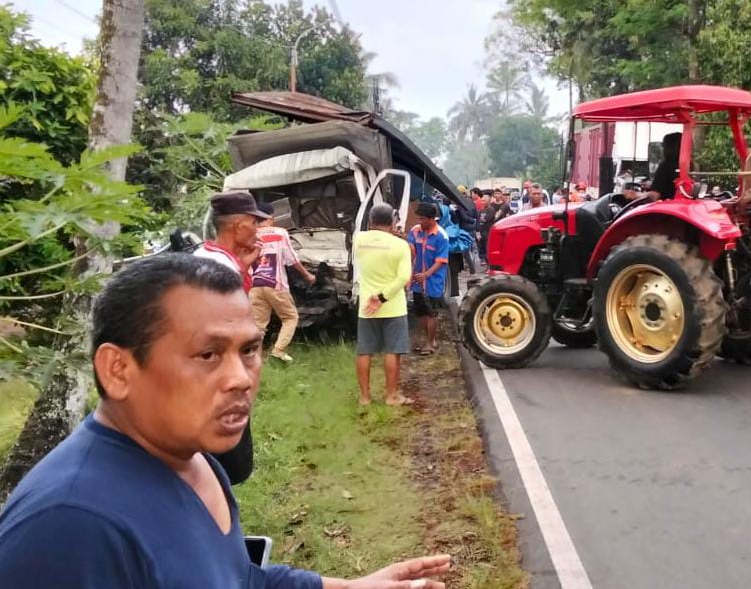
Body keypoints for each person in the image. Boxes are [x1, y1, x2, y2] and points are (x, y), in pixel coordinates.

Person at [0, 254, 451, 588]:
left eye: (249, 350)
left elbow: (237, 579)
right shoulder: (70, 527)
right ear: (118, 370)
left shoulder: (194, 459)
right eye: (208, 354)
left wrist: (355, 587)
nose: (240, 379)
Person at [192, 190, 271, 485]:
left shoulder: (208, 256)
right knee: (228, 466)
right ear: (239, 226)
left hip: (212, 372)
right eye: (254, 222)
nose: (258, 229)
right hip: (220, 378)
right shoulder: (219, 267)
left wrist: (245, 265)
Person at [352, 203, 413, 406]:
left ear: (370, 221)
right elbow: (404, 277)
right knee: (392, 351)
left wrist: (374, 297)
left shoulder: (358, 240)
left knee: (364, 351)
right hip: (392, 305)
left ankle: (365, 397)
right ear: (393, 221)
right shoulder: (399, 245)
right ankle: (391, 395)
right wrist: (382, 297)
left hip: (366, 305)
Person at [250, 202, 316, 363]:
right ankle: (278, 351)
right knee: (290, 317)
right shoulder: (280, 233)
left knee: (259, 326)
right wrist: (307, 275)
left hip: (255, 285)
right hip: (276, 284)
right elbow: (291, 258)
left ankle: (253, 358)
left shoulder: (250, 234)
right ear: (271, 217)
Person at [408, 202, 450, 355]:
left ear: (432, 219)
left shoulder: (441, 236)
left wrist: (426, 274)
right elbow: (411, 248)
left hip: (433, 280)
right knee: (421, 312)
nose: (420, 222)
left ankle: (431, 342)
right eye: (419, 219)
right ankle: (427, 340)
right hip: (417, 280)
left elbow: (441, 260)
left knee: (432, 312)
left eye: (423, 219)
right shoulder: (415, 231)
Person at [647, 132, 682, 201]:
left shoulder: (665, 166)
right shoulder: (689, 165)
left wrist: (636, 194)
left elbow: (655, 195)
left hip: (666, 207)